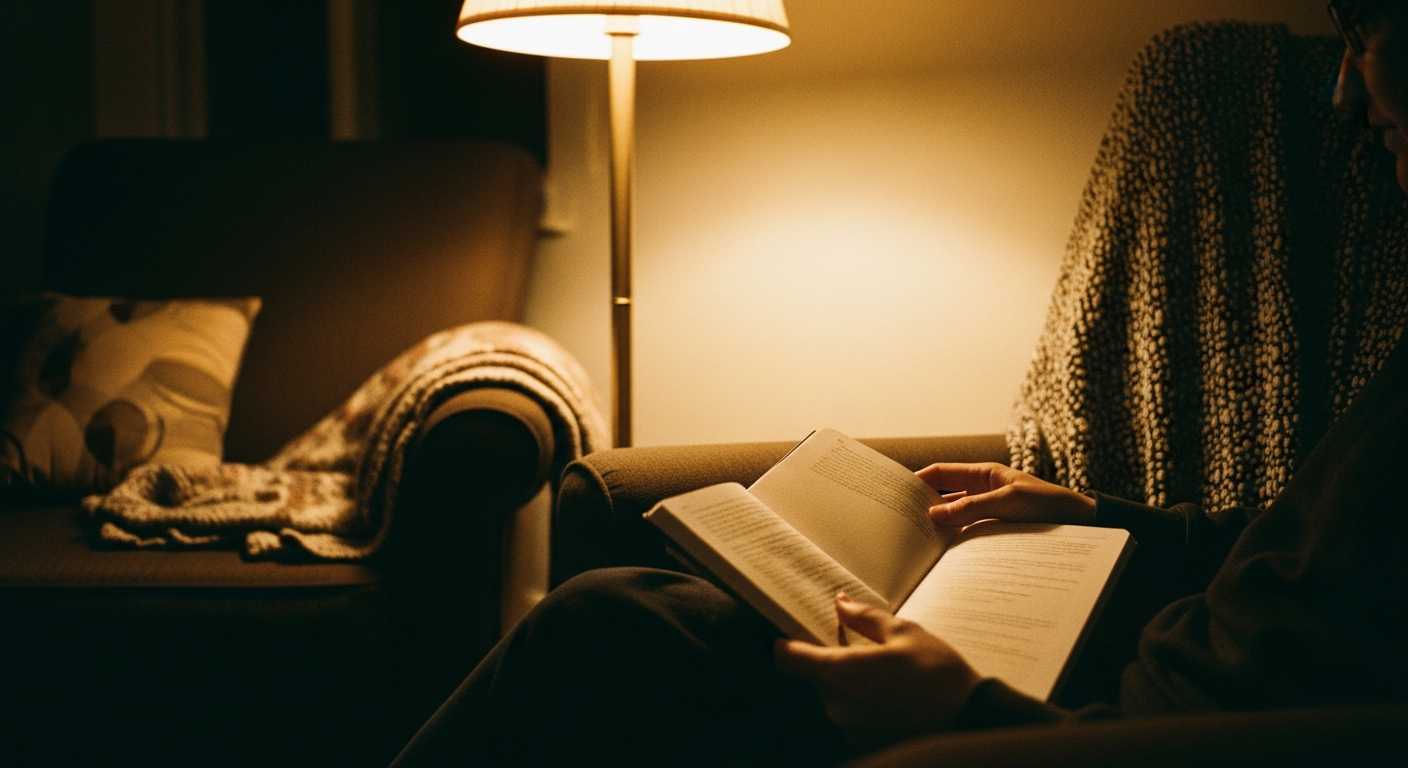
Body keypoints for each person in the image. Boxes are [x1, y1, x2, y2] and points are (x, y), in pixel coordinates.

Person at [390, 2, 1408, 765]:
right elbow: (1297, 562)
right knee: (637, 605)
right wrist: (1100, 514)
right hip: (1122, 663)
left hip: (1085, 731)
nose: (1346, 95)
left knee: (607, 629)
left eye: (1367, 29)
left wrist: (964, 714)